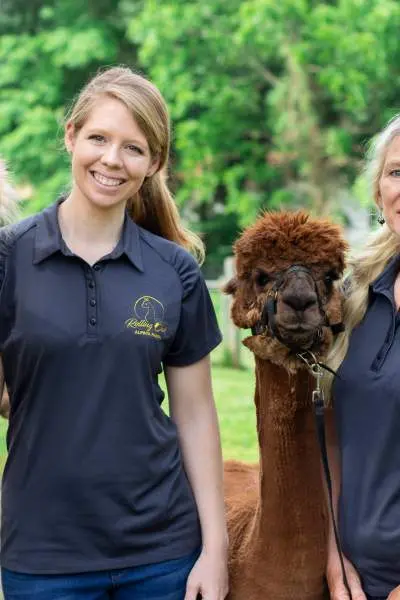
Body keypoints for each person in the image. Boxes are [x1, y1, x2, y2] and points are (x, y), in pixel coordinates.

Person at [0, 66, 229, 600]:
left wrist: (214, 550)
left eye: (133, 147)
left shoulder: (175, 272)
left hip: (162, 555)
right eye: (99, 138)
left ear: (153, 164)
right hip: (42, 555)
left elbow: (195, 415)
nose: (111, 160)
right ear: (71, 135)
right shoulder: (9, 257)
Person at [325, 114, 400, 600]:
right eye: (397, 172)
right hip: (351, 579)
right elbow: (333, 436)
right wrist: (331, 560)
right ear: (377, 191)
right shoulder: (353, 294)